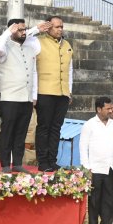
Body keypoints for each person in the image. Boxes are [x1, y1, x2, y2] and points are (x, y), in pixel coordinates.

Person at [0, 18, 49, 172]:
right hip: (9, 97)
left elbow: (34, 72)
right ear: (10, 30)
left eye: (25, 29)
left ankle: (17, 163)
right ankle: (5, 165)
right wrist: (9, 31)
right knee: (8, 131)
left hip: (26, 98)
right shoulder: (4, 47)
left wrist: (34, 96)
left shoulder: (30, 47)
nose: (23, 32)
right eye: (19, 29)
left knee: (21, 132)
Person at [80, 96, 113, 224]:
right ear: (99, 109)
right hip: (95, 169)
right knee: (94, 203)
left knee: (108, 203)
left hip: (110, 168)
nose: (111, 111)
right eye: (108, 108)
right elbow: (83, 147)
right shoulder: (89, 125)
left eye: (111, 108)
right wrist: (87, 168)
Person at [34, 16, 74, 172]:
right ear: (48, 27)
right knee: (44, 127)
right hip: (45, 91)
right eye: (56, 27)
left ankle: (52, 160)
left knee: (56, 127)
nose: (60, 29)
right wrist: (38, 28)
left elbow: (70, 70)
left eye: (61, 26)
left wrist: (69, 91)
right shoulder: (37, 41)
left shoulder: (67, 45)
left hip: (62, 92)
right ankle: (42, 161)